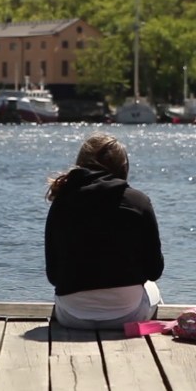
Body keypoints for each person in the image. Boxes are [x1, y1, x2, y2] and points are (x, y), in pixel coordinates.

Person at [45, 132, 164, 329]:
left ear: (80, 164)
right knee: (153, 289)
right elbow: (154, 271)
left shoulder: (61, 203)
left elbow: (54, 276)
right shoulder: (138, 201)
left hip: (72, 317)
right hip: (127, 315)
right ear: (123, 168)